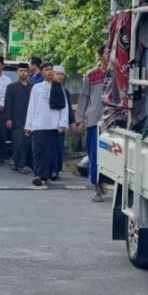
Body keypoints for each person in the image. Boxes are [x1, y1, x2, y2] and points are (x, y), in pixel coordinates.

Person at [25, 63, 68, 187]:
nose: (49, 72)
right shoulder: (37, 88)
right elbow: (31, 107)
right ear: (42, 72)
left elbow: (64, 108)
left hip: (53, 125)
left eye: (51, 70)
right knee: (38, 151)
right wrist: (28, 125)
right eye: (46, 70)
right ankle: (38, 175)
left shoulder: (59, 88)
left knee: (50, 153)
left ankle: (46, 175)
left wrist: (63, 123)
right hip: (38, 124)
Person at [75, 47, 109, 202]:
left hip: (113, 121)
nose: (109, 56)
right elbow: (84, 98)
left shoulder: (118, 73)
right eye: (107, 53)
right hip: (94, 120)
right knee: (94, 154)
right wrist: (80, 119)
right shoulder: (91, 75)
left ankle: (104, 182)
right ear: (100, 56)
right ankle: (96, 186)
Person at [3, 63, 33, 174]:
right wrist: (8, 118)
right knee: (17, 143)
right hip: (16, 118)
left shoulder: (33, 87)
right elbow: (8, 104)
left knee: (26, 143)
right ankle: (18, 163)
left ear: (28, 72)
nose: (23, 73)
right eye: (20, 71)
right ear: (17, 72)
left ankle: (20, 164)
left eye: (25, 71)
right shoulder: (11, 87)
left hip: (30, 119)